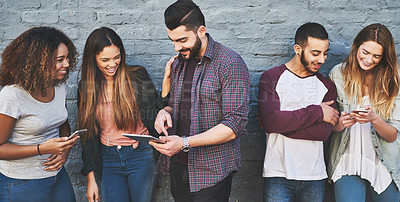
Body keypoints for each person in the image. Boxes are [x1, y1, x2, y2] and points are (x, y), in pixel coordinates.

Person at [150, 1, 250, 201]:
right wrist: (165, 112)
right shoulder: (179, 62)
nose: (177, 47)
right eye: (172, 41)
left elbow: (235, 124)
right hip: (179, 166)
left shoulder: (230, 63)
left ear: (201, 31)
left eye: (182, 40)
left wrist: (185, 143)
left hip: (212, 171)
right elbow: (175, 104)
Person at [78, 27, 169, 202]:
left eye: (117, 57)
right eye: (105, 60)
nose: (112, 64)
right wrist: (91, 179)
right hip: (108, 159)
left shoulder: (137, 76)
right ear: (93, 58)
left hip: (140, 155)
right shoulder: (87, 87)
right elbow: (87, 136)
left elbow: (156, 114)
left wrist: (166, 84)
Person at [258, 22, 339, 202]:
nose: (322, 60)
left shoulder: (326, 87)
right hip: (278, 173)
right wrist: (317, 112)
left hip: (314, 176)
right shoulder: (271, 78)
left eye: (325, 53)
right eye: (315, 53)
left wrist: (280, 123)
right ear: (298, 49)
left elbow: (323, 133)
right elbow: (271, 122)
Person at [0, 26, 79, 201]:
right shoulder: (12, 95)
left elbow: (63, 124)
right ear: (38, 61)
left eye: (67, 58)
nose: (67, 64)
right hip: (22, 181)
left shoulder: (59, 87)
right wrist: (41, 149)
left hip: (57, 175)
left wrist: (64, 151)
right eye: (60, 59)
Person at [328, 23, 400, 202]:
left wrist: (374, 119)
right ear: (356, 46)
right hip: (346, 158)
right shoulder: (338, 74)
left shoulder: (393, 80)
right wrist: (341, 123)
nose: (369, 59)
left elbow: (392, 136)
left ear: (384, 57)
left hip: (384, 161)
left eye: (377, 56)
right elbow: (330, 127)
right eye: (365, 52)